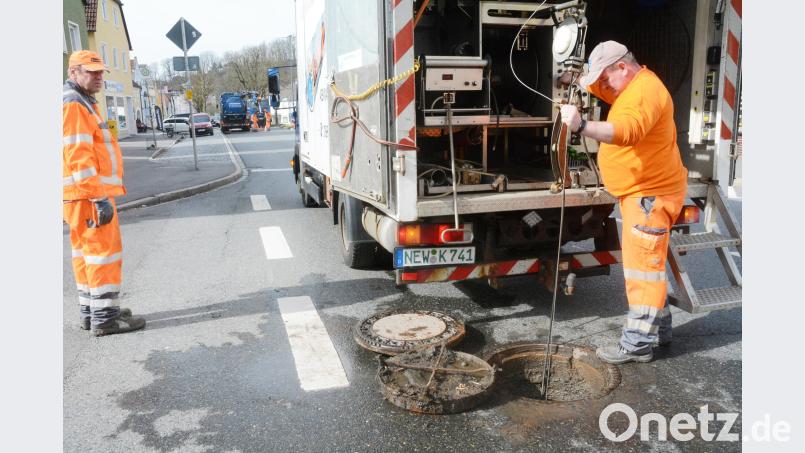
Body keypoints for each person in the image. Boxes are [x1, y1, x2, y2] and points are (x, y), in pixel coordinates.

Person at [560, 41, 688, 364]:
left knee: (643, 271)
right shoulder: (632, 86)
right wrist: (578, 81)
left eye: (605, 79)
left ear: (622, 67)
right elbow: (608, 92)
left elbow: (627, 131)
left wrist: (582, 126)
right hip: (645, 193)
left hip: (649, 195)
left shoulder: (644, 92)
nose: (603, 88)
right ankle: (659, 330)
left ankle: (636, 345)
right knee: (650, 268)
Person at [63, 50, 146, 336]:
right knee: (102, 255)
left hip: (79, 196)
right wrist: (97, 197)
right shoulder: (75, 105)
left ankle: (93, 312)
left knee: (86, 255)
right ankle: (106, 318)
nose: (98, 76)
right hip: (88, 195)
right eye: (91, 71)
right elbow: (79, 156)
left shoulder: (81, 101)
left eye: (100, 72)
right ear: (74, 72)